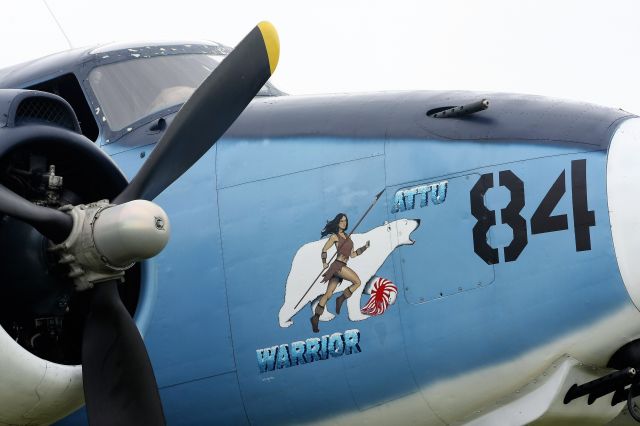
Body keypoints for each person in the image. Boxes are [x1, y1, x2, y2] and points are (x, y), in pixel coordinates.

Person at [311, 213, 370, 333]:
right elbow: (324, 250)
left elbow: (353, 255)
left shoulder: (348, 237)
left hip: (341, 266)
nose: (344, 223)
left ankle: (315, 318)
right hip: (338, 266)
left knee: (328, 294)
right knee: (357, 282)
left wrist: (365, 247)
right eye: (342, 221)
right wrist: (324, 262)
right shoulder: (335, 237)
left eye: (346, 221)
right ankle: (341, 299)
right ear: (338, 222)